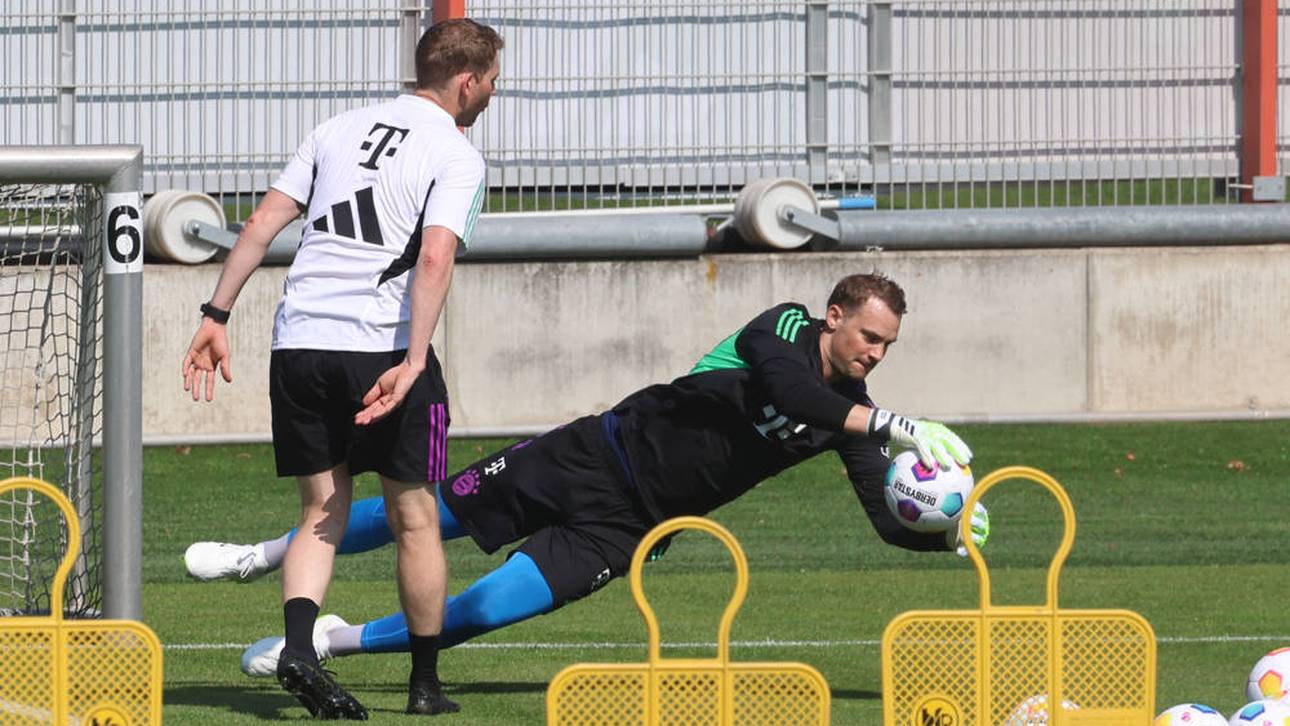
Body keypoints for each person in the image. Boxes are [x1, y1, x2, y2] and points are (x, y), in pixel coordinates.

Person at [185, 273, 989, 677]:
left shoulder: (854, 414)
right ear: (835, 316)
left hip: (629, 526)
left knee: (488, 608)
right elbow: (788, 391)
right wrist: (889, 423)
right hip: (590, 454)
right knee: (428, 518)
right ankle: (261, 554)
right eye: (868, 337)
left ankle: (334, 639)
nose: (872, 356)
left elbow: (884, 515)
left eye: (886, 349)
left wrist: (944, 531)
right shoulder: (780, 329)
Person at [180, 18, 503, 719]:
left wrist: (215, 314)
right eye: (492, 84)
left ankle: (299, 644)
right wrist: (415, 361)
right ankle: (424, 686)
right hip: (378, 348)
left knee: (320, 511)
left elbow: (265, 219)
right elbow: (435, 257)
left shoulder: (337, 127)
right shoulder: (457, 154)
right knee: (415, 516)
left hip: (297, 342)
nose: (490, 97)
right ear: (467, 81)